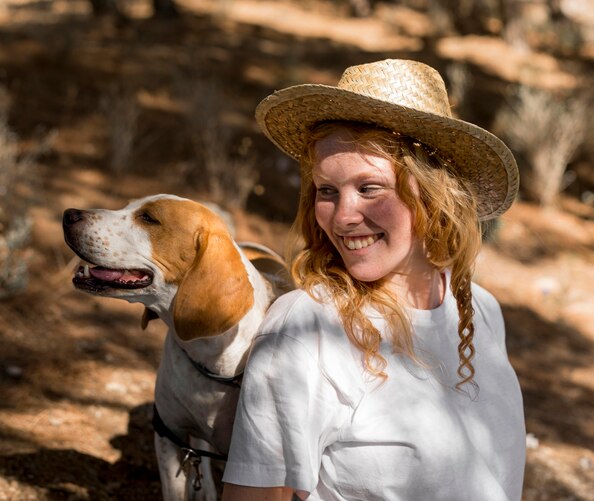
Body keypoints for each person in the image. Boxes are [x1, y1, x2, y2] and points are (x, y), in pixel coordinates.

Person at [222, 59, 526, 501]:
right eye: (327, 191)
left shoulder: (478, 309)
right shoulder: (308, 328)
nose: (343, 217)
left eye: (369, 189)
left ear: (434, 193)